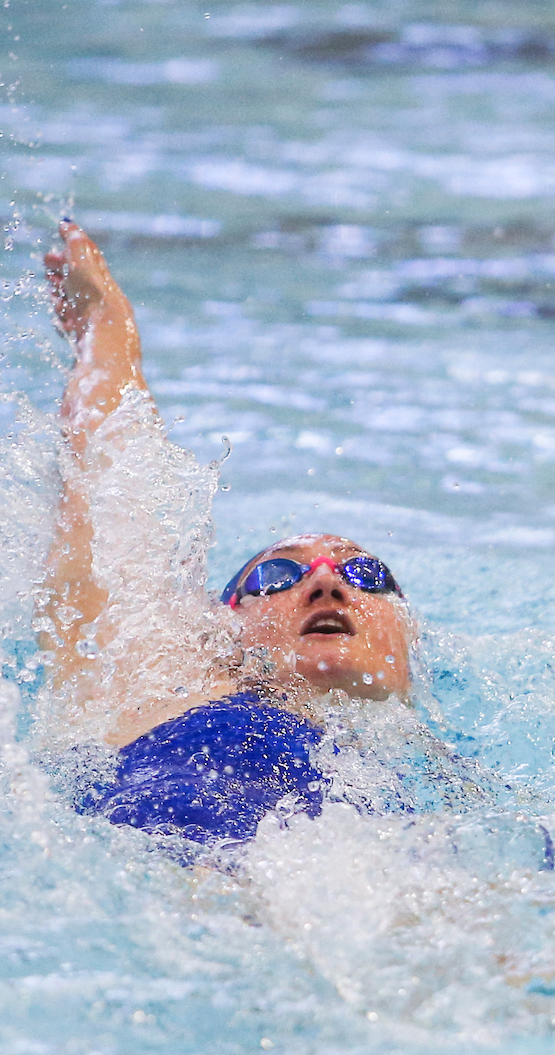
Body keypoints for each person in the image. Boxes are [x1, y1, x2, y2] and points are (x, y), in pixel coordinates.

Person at [40, 220, 418, 847]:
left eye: (364, 574)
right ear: (220, 630)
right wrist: (107, 330)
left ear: (409, 639)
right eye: (278, 575)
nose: (327, 583)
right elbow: (106, 495)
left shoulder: (450, 791)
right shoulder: (171, 679)